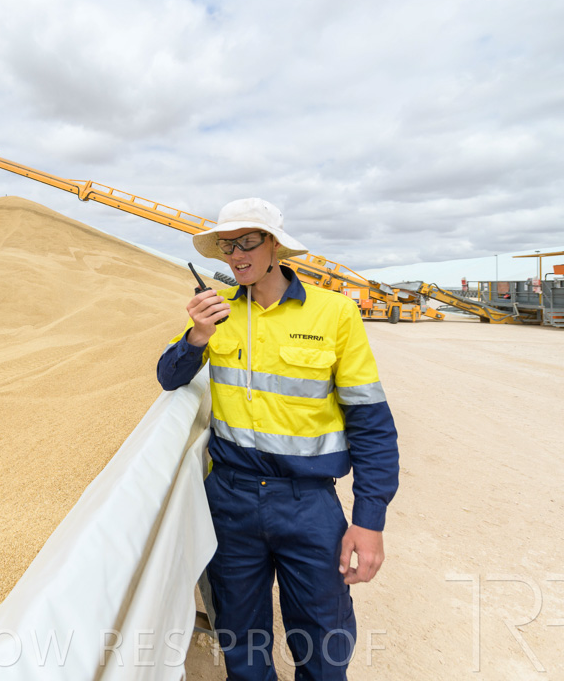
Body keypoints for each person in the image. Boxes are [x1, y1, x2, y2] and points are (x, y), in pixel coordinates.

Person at [157, 198, 398, 681]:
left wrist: (369, 520)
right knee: (240, 635)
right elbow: (169, 376)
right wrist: (197, 336)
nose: (236, 255)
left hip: (308, 503)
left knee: (324, 637)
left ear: (274, 245)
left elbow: (371, 422)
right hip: (230, 498)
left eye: (247, 242)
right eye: (227, 246)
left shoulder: (334, 312)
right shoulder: (218, 313)